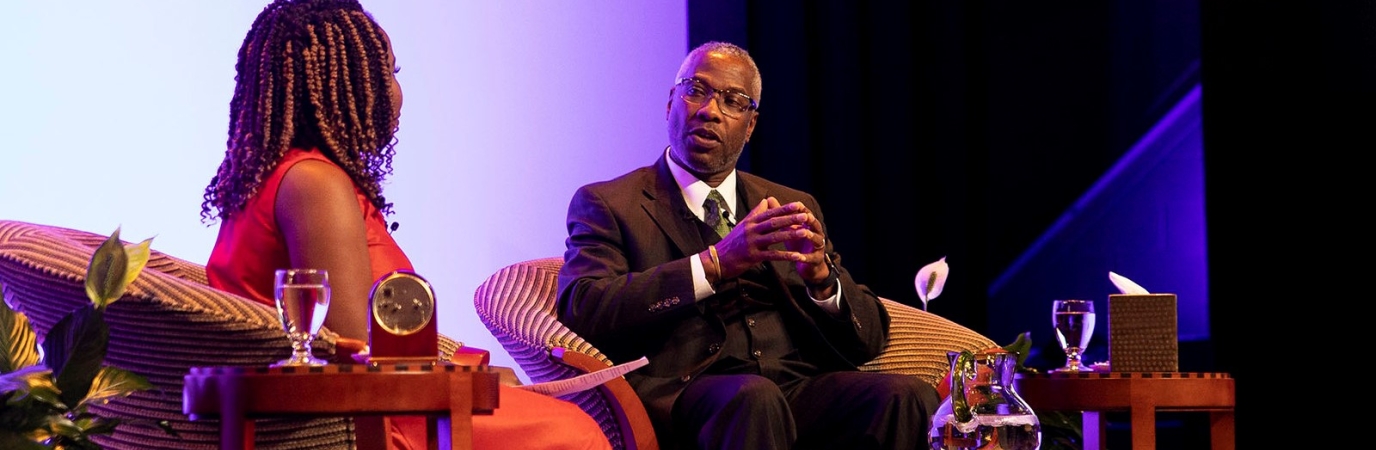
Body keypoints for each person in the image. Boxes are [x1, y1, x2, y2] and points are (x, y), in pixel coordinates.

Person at [199, 1, 611, 449]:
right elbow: (354, 353)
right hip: (370, 422)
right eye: (391, 72)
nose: (397, 91)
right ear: (348, 83)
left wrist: (472, 370)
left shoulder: (279, 176)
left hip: (356, 408)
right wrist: (468, 378)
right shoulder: (314, 184)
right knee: (575, 432)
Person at [556, 41, 940, 450]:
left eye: (733, 100)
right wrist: (714, 263)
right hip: (691, 392)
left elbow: (867, 341)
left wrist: (823, 281)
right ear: (671, 103)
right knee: (754, 398)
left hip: (795, 387)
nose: (709, 110)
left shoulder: (790, 204)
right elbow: (584, 305)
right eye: (695, 90)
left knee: (906, 397)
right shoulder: (611, 203)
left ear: (751, 124)